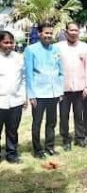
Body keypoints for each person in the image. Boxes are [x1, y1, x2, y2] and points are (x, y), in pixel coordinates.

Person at [25, 21, 64, 159]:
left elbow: (60, 72)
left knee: (52, 122)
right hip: (39, 94)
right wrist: (31, 95)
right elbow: (29, 74)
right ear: (39, 33)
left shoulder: (56, 50)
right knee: (37, 123)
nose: (48, 35)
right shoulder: (31, 50)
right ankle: (37, 149)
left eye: (50, 33)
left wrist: (60, 91)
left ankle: (49, 146)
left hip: (53, 93)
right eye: (46, 33)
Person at [57, 22, 87, 151]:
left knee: (79, 114)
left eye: (76, 30)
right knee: (63, 115)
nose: (74, 33)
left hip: (80, 88)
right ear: (66, 32)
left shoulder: (84, 47)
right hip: (63, 88)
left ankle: (80, 138)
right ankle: (66, 139)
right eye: (71, 30)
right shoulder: (58, 47)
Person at [0, 31, 26, 163]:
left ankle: (11, 154)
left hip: (15, 101)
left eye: (11, 42)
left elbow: (23, 79)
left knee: (12, 130)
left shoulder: (19, 57)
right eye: (5, 42)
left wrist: (23, 98)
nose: (9, 45)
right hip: (0, 102)